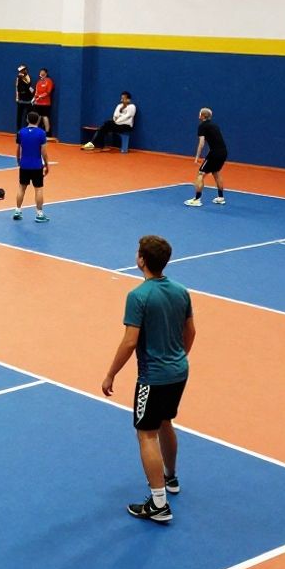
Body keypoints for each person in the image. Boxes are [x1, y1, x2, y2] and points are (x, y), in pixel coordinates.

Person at [101, 235, 195, 524]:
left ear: (142, 260)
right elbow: (191, 332)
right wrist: (177, 357)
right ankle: (171, 478)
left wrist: (111, 373)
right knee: (165, 422)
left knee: (146, 434)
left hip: (153, 377)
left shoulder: (138, 296)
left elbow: (130, 341)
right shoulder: (181, 291)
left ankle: (158, 504)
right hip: (179, 371)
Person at [185, 107, 228, 206]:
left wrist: (197, 157)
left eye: (200, 114)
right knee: (216, 172)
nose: (198, 116)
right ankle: (221, 198)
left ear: (203, 116)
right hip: (223, 152)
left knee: (200, 174)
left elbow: (201, 143)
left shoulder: (202, 126)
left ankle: (197, 200)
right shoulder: (215, 125)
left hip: (215, 153)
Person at [13, 111, 50, 222]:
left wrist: (18, 160)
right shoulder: (41, 133)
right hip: (37, 166)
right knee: (38, 189)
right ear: (38, 120)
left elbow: (18, 149)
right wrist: (47, 165)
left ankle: (17, 211)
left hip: (24, 165)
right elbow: (44, 152)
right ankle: (39, 214)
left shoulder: (21, 132)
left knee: (21, 188)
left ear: (27, 120)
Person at [33, 68, 54, 137]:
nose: (41, 73)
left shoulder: (49, 81)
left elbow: (48, 92)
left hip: (45, 103)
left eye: (43, 72)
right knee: (37, 117)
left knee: (45, 117)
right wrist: (34, 98)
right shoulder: (38, 82)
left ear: (46, 73)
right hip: (37, 103)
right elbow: (36, 92)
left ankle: (47, 132)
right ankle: (35, 131)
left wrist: (40, 96)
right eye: (40, 72)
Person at [15, 65, 34, 131]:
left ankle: (28, 129)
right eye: (20, 70)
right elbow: (17, 87)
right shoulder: (18, 78)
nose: (21, 71)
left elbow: (29, 86)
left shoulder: (28, 77)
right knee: (19, 115)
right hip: (21, 99)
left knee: (28, 115)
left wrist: (23, 78)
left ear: (25, 70)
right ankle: (18, 130)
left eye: (22, 70)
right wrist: (17, 97)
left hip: (28, 99)